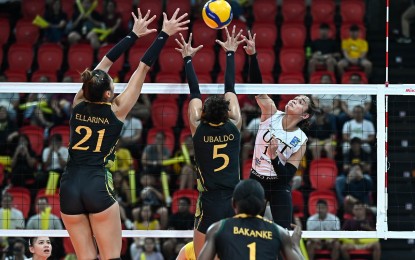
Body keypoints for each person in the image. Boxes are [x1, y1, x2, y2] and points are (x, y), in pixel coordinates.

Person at [59, 8, 189, 260]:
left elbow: (105, 63)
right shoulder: (117, 110)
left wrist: (132, 35)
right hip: (96, 184)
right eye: (111, 83)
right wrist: (163, 34)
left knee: (85, 258)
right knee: (111, 258)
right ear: (107, 94)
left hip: (69, 186)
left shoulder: (78, 100)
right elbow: (142, 69)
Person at [175, 26, 244, 257]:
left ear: (203, 114)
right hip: (235, 200)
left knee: (200, 253)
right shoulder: (234, 125)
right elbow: (230, 89)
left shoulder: (198, 127)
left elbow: (194, 93)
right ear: (227, 113)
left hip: (209, 200)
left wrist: (187, 59)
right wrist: (231, 52)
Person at [242, 30, 318, 229]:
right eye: (296, 97)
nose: (295, 99)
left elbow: (286, 177)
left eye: (301, 101)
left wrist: (275, 156)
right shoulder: (271, 112)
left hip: (278, 185)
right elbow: (256, 89)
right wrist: (253, 56)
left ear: (305, 115)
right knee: (246, 229)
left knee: (283, 232)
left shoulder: (300, 139)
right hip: (256, 179)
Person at [198, 179, 305, 260]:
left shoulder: (218, 228)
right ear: (263, 205)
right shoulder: (279, 232)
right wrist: (295, 245)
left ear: (233, 203)